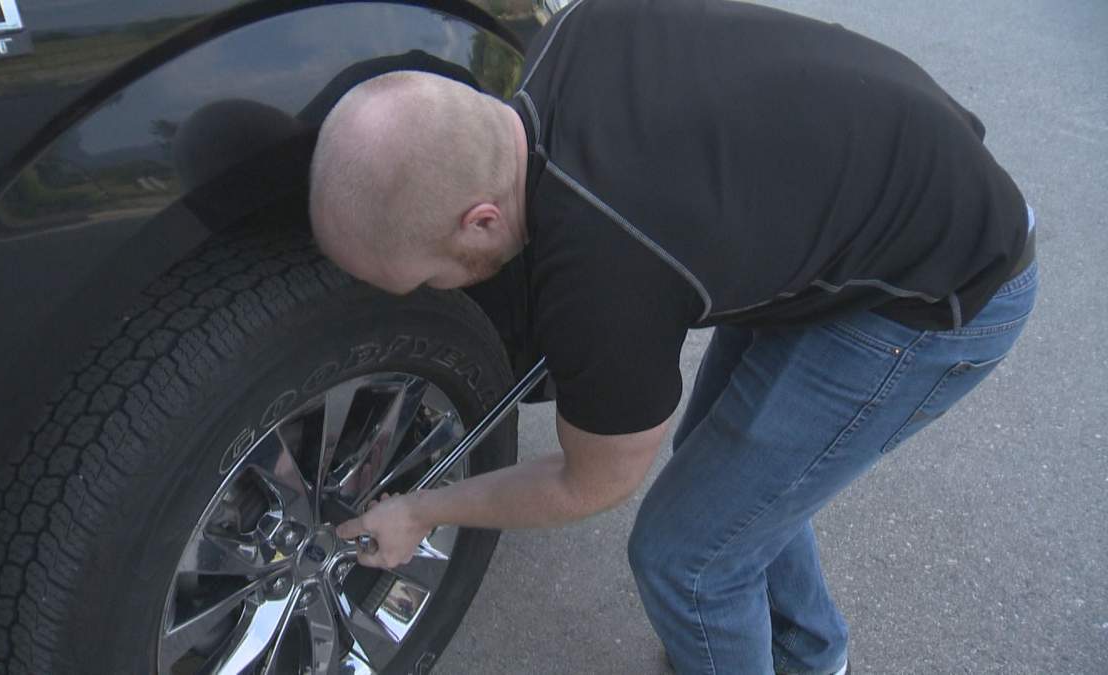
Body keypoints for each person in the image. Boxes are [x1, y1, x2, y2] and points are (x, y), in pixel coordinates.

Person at [309, 0, 1038, 672]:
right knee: (727, 488)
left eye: (428, 277)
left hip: (945, 290)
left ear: (481, 221)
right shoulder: (575, 32)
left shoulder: (606, 273)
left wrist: (421, 510)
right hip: (889, 182)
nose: (438, 292)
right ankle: (809, 652)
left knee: (688, 560)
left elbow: (589, 481)